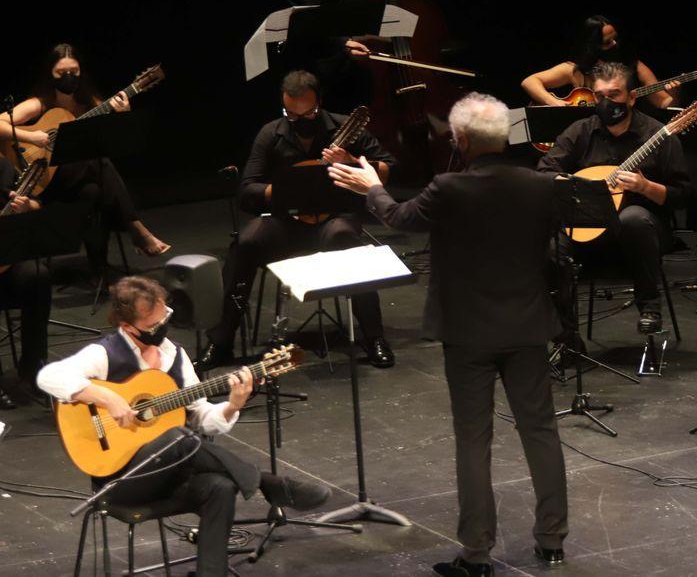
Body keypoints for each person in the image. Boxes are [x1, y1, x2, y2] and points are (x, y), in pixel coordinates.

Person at [329, 92, 569, 576]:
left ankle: (476, 554)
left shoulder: (448, 187)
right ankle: (552, 542)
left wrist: (372, 186)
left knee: (473, 440)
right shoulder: (542, 185)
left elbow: (400, 218)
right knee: (541, 431)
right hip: (526, 325)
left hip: (467, 331)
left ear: (460, 139)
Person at [37, 276, 330, 577]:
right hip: (122, 480)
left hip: (171, 474)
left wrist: (232, 405)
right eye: (153, 325)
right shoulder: (104, 353)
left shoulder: (174, 355)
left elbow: (203, 417)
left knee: (220, 487)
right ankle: (269, 483)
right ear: (128, 326)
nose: (162, 327)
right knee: (178, 436)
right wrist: (107, 398)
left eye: (164, 317)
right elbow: (48, 377)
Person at [199, 70, 396, 370]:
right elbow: (247, 189)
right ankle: (221, 341)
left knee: (346, 239)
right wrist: (283, 189)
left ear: (319, 102)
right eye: (291, 114)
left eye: (308, 113)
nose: (299, 120)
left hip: (332, 219)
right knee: (246, 243)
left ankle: (374, 337)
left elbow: (390, 169)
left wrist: (351, 162)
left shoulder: (345, 127)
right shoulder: (271, 134)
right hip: (286, 223)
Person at [536, 61, 692, 334]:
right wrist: (579, 186)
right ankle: (566, 334)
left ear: (632, 97)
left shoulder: (659, 135)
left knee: (633, 218)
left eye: (614, 94)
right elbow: (544, 173)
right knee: (551, 245)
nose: (606, 102)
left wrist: (646, 187)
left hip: (644, 231)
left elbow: (683, 196)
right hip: (589, 226)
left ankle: (650, 307)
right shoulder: (581, 131)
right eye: (600, 96)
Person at [0, 43, 170, 260]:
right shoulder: (40, 103)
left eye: (74, 71)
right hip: (42, 178)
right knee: (96, 160)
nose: (68, 77)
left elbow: (113, 141)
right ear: (51, 74)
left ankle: (99, 266)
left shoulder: (91, 104)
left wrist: (123, 115)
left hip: (76, 180)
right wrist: (31, 137)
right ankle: (136, 228)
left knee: (92, 191)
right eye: (61, 72)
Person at [521, 14, 676, 109]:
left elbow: (664, 103)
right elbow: (529, 82)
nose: (614, 44)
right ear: (592, 46)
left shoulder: (634, 66)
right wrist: (554, 102)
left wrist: (674, 94)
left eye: (616, 39)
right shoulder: (575, 70)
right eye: (608, 42)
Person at [0, 157, 51, 407]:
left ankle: (33, 367)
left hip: (5, 257)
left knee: (37, 275)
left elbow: (36, 204)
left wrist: (28, 207)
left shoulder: (2, 166)